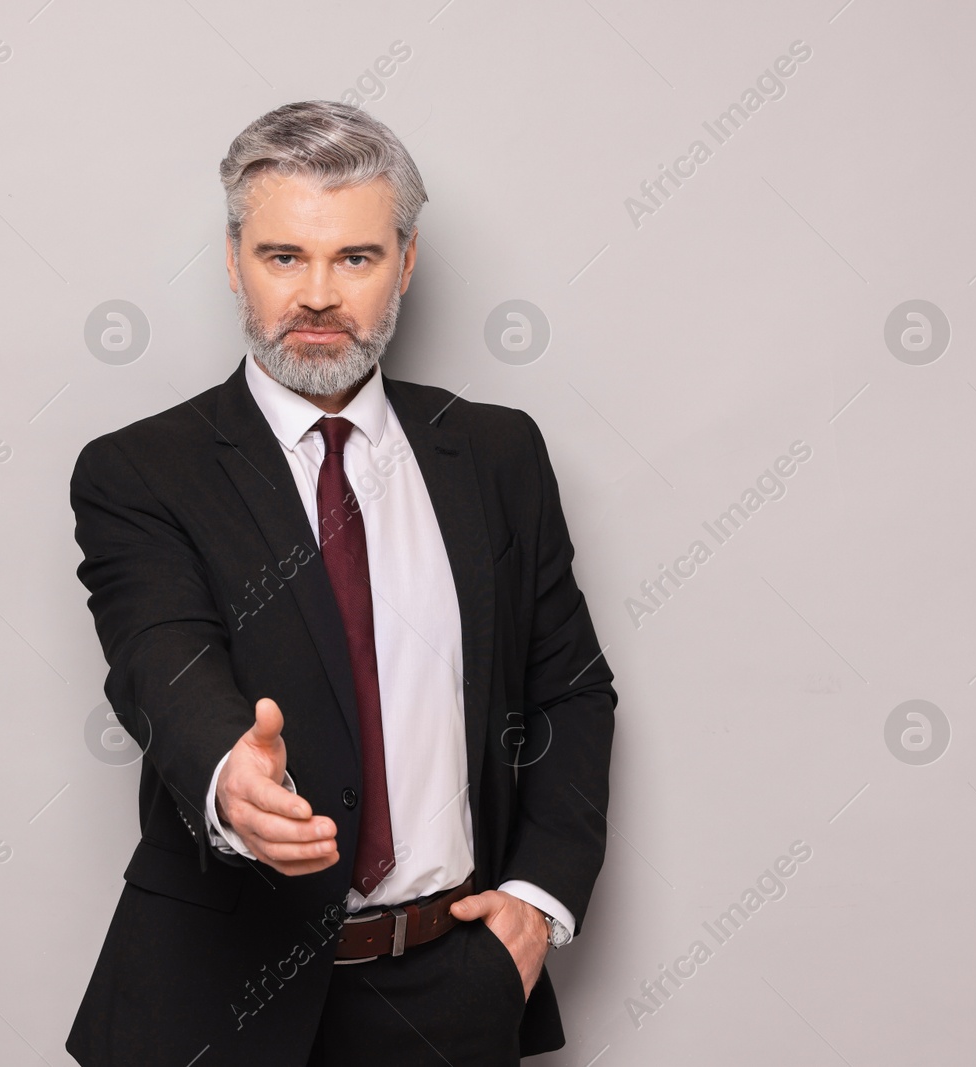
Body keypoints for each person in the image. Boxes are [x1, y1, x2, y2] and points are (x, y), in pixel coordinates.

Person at [65, 100, 616, 1066]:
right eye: (284, 257)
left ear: (405, 264)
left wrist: (537, 907)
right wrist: (230, 774)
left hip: (454, 990)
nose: (317, 295)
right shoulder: (141, 471)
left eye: (354, 259)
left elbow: (569, 690)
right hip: (215, 998)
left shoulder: (497, 454)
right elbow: (161, 656)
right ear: (234, 260)